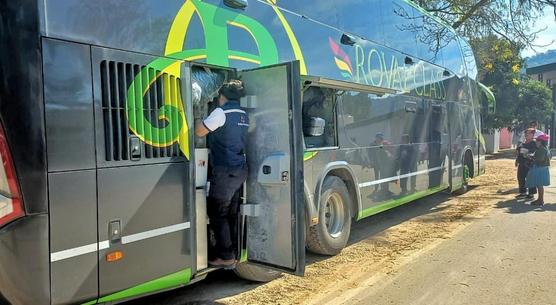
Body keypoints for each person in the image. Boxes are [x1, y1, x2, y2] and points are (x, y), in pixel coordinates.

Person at [195, 79, 249, 268]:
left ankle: (225, 256)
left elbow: (200, 132)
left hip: (225, 170)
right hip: (240, 169)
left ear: (222, 97)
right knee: (231, 213)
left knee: (217, 212)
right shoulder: (243, 114)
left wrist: (197, 119)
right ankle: (232, 253)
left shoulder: (221, 112)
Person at [526, 133, 551, 205]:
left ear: (541, 141)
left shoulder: (542, 149)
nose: (536, 141)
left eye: (537, 140)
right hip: (542, 168)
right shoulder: (545, 148)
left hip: (540, 168)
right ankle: (540, 199)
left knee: (539, 185)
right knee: (539, 185)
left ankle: (540, 200)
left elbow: (539, 159)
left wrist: (530, 157)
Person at [515, 128, 537, 199]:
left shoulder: (534, 143)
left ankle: (531, 193)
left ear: (533, 134)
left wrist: (527, 153)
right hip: (521, 162)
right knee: (520, 177)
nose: (526, 134)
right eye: (526, 133)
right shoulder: (522, 143)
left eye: (528, 133)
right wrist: (516, 160)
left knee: (530, 178)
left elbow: (534, 152)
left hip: (529, 163)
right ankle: (523, 192)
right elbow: (518, 152)